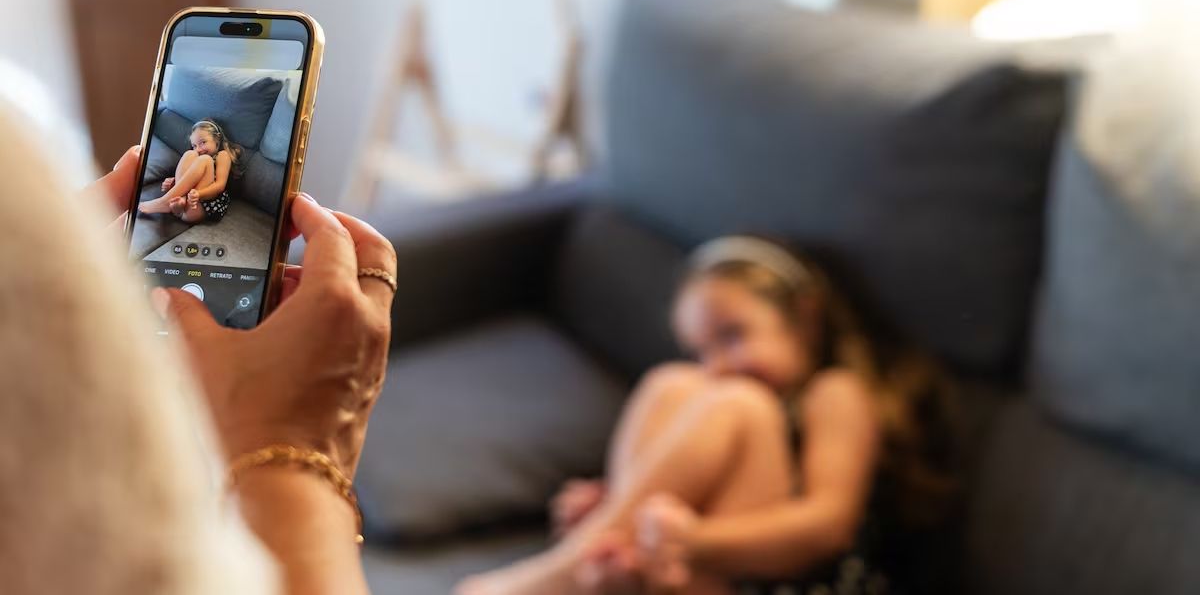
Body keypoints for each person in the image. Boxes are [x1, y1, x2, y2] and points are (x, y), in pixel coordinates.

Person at [0, 102, 396, 595]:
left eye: (203, 140)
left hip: (209, 203)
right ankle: (170, 204)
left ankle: (168, 205)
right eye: (194, 141)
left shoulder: (217, 159)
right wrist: (302, 460)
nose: (197, 145)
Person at [460, 236, 956, 595]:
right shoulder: (712, 385)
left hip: (797, 580)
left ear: (804, 316)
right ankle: (605, 555)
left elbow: (828, 528)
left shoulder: (835, 392)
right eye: (702, 348)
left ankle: (555, 577)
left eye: (733, 335)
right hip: (699, 570)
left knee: (739, 402)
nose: (716, 364)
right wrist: (619, 507)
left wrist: (693, 541)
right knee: (671, 383)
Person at [139, 118, 241, 222]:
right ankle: (178, 202)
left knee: (205, 159)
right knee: (190, 154)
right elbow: (192, 177)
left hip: (202, 205)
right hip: (182, 205)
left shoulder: (223, 155)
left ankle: (164, 201)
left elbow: (220, 186)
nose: (198, 149)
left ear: (217, 139)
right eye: (194, 145)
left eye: (203, 142)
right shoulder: (196, 154)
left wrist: (198, 194)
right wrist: (174, 183)